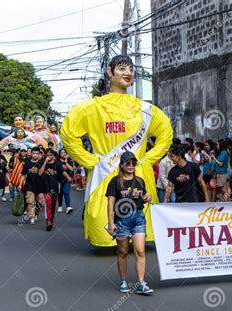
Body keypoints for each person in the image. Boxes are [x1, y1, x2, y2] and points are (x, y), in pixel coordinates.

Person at [61, 55, 173, 247]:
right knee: (107, 211)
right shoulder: (92, 108)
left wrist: (147, 159)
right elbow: (68, 133)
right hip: (105, 171)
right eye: (121, 68)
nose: (127, 73)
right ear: (109, 73)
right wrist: (91, 161)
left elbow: (166, 133)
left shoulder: (144, 109)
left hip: (136, 171)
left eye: (130, 68)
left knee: (139, 210)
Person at [105, 151, 154, 294]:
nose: (131, 166)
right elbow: (111, 202)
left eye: (133, 163)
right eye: (128, 163)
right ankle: (123, 281)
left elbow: (142, 195)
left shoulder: (139, 181)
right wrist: (110, 222)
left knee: (140, 251)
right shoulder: (115, 181)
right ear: (122, 165)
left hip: (138, 218)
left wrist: (147, 197)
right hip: (121, 221)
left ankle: (141, 282)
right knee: (123, 252)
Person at [39, 149, 72, 231]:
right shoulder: (42, 162)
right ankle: (48, 221)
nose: (49, 157)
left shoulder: (57, 163)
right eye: (47, 155)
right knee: (48, 205)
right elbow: (40, 173)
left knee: (53, 206)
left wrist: (68, 177)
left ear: (53, 155)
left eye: (50, 155)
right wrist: (45, 162)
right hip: (46, 188)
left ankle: (51, 220)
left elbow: (63, 171)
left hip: (55, 188)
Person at [19, 147, 45, 225]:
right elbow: (23, 175)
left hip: (40, 186)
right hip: (29, 185)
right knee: (30, 202)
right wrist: (20, 184)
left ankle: (36, 213)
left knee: (40, 203)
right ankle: (32, 217)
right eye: (33, 153)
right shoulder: (27, 163)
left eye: (37, 153)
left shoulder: (42, 163)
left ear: (39, 154)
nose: (35, 155)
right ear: (31, 154)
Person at [57, 148, 74, 214]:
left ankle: (68, 207)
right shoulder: (57, 160)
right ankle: (60, 206)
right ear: (59, 154)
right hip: (59, 180)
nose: (63, 154)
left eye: (64, 152)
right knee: (60, 193)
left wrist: (66, 162)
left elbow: (71, 169)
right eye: (62, 153)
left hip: (67, 179)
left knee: (66, 192)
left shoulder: (69, 160)